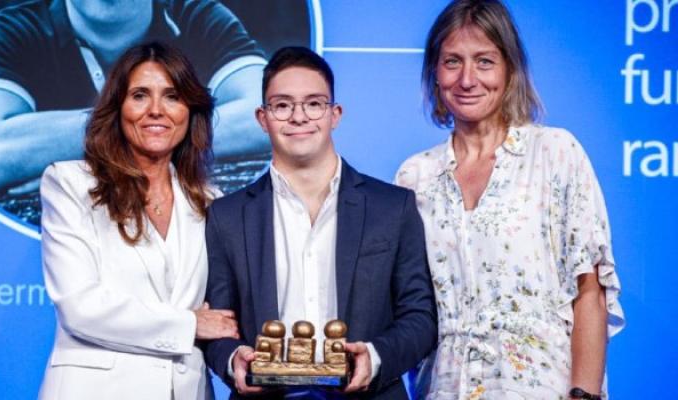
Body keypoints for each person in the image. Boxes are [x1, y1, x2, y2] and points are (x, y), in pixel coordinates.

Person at [394, 1, 625, 398]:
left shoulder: (555, 154)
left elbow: (590, 291)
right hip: (445, 389)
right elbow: (400, 305)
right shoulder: (414, 177)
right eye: (452, 62)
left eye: (484, 61)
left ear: (510, 71)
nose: (468, 79)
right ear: (434, 73)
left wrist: (583, 395)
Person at [204, 46, 438, 399]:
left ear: (335, 114)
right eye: (282, 105)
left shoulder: (392, 206)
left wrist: (374, 358)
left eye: (314, 103)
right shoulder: (226, 216)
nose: (299, 117)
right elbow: (218, 322)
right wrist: (233, 357)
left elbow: (420, 317)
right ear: (262, 118)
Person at [37, 42, 239, 400]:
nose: (157, 111)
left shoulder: (211, 202)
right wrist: (190, 324)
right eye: (140, 96)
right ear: (118, 108)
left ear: (190, 110)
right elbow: (80, 307)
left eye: (173, 96)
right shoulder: (70, 184)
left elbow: (222, 312)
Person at [0, 0, 269, 195]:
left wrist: (100, 153)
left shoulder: (198, 17)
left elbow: (268, 115)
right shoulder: (14, 31)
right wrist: (159, 137)